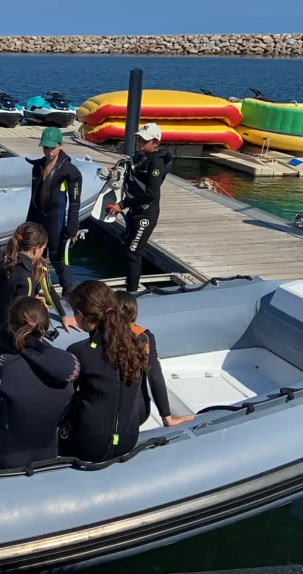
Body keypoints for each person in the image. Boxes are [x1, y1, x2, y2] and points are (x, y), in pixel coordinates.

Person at [0, 296, 79, 469]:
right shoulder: (68, 363)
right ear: (46, 325)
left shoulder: (4, 365)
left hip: (7, 456)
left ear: (11, 327)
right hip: (49, 451)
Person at [0, 223, 79, 405]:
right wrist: (37, 305)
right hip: (12, 335)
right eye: (43, 249)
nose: (43, 253)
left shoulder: (4, 264)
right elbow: (22, 314)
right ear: (36, 249)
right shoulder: (26, 277)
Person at [62, 281, 149, 462]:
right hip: (128, 440)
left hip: (89, 447)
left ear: (80, 315)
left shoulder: (79, 351)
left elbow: (64, 402)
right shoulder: (137, 345)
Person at [112, 291, 194, 428]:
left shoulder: (99, 336)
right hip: (137, 412)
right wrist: (167, 417)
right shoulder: (144, 338)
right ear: (135, 312)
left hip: (104, 411)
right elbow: (155, 376)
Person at [107, 123, 173, 292]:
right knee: (128, 248)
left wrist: (122, 204)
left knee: (133, 252)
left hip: (146, 215)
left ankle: (132, 293)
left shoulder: (156, 164)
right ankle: (131, 286)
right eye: (139, 140)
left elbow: (151, 194)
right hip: (134, 211)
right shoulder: (138, 157)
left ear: (156, 143)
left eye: (145, 141)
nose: (140, 144)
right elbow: (129, 173)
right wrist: (116, 172)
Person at [26, 126, 83, 293]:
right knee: (36, 256)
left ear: (61, 145)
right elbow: (34, 198)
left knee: (56, 257)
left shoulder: (70, 171)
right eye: (46, 148)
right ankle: (35, 292)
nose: (49, 152)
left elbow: (75, 203)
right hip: (38, 217)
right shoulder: (38, 167)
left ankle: (68, 290)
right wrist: (28, 223)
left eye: (53, 147)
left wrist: (73, 227)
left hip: (55, 218)